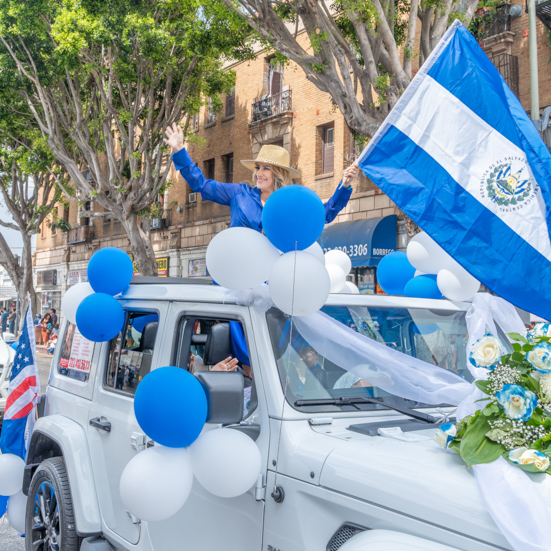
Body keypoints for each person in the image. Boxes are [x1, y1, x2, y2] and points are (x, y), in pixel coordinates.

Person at [164, 123, 360, 231]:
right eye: (258, 167)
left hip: (272, 282)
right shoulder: (239, 193)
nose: (258, 173)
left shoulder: (289, 203)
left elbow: (323, 215)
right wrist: (180, 149)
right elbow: (201, 185)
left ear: (278, 174)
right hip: (238, 280)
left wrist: (344, 185)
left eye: (266, 168)